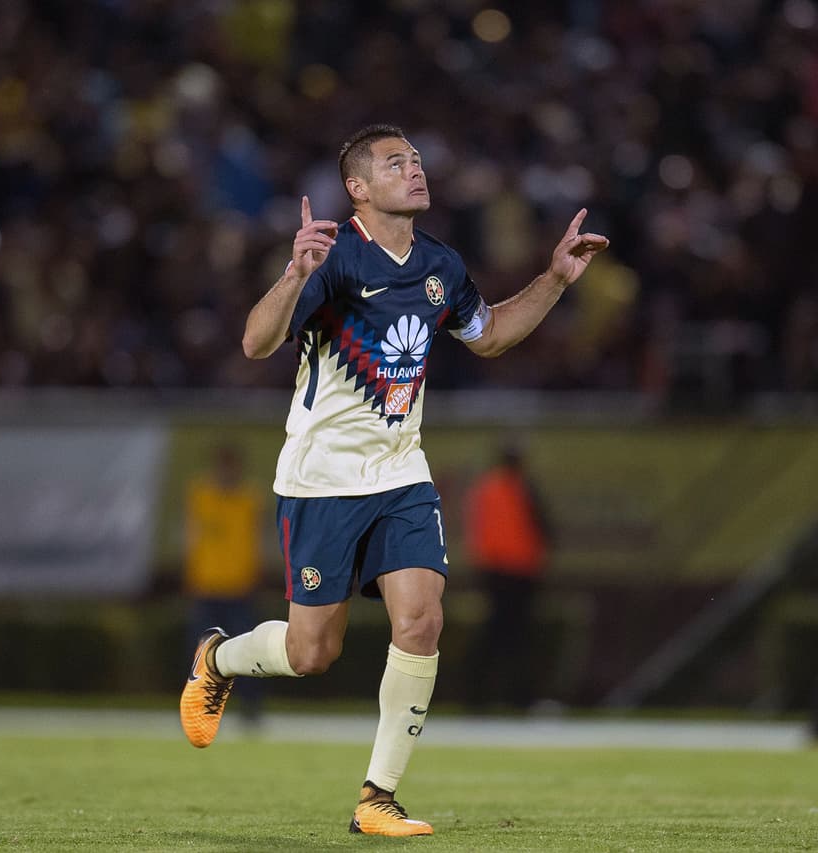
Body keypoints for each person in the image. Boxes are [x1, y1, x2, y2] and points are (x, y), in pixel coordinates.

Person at [179, 124, 608, 837]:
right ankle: (217, 655)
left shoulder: (440, 263)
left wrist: (557, 278)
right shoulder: (334, 258)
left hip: (401, 474)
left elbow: (491, 334)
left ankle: (377, 795)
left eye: (415, 159)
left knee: (423, 617)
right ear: (358, 187)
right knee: (310, 652)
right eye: (394, 163)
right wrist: (291, 275)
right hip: (320, 479)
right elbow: (255, 343)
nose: (414, 170)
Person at [462, 443, 551, 710]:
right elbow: (543, 526)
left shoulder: (484, 488)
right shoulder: (523, 488)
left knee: (497, 633)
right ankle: (519, 697)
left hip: (493, 570)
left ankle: (477, 695)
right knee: (516, 636)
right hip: (520, 571)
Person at [183, 443, 266, 725]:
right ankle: (199, 707)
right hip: (206, 587)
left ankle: (250, 708)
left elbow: (256, 540)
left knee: (246, 652)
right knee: (202, 653)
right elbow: (193, 537)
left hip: (240, 587)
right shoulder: (201, 494)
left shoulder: (249, 498)